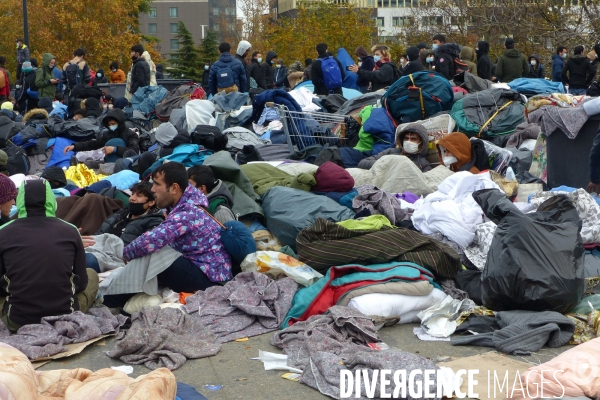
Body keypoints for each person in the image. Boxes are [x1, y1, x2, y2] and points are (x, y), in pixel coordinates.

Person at [102, 163, 232, 308]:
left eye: (157, 184)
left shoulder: (187, 213)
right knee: (153, 254)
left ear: (174, 188)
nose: (152, 189)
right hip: (200, 269)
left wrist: (125, 254)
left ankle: (110, 302)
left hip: (209, 279)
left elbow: (151, 241)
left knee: (153, 252)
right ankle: (114, 297)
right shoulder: (185, 204)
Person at [0, 179, 99, 332]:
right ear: (51, 200)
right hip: (64, 315)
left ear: (19, 201)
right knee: (92, 274)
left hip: (17, 321)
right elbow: (82, 282)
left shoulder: (3, 232)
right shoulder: (71, 230)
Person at [83, 182, 165, 273]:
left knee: (86, 260)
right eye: (133, 194)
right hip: (97, 248)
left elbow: (144, 248)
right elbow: (100, 235)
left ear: (151, 202)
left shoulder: (154, 222)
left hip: (116, 258)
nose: (132, 198)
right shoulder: (120, 214)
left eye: (139, 196)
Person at [64, 108, 139, 162]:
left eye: (113, 124)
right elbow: (94, 144)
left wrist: (115, 149)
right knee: (90, 164)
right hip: (109, 161)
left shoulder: (131, 135)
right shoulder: (108, 134)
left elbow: (134, 150)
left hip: (125, 163)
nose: (111, 126)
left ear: (120, 122)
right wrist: (74, 146)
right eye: (109, 125)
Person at [357, 123, 432, 172]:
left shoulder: (424, 164)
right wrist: (387, 164)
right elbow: (362, 163)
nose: (408, 141)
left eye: (413, 139)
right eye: (406, 138)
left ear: (422, 143)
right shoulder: (390, 152)